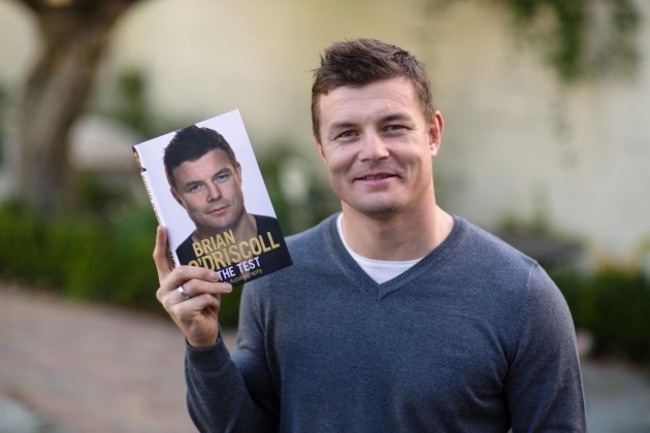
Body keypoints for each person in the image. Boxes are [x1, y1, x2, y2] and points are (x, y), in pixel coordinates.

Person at [154, 38, 586, 432]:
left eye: (394, 126)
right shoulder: (275, 280)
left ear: (433, 134)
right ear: (323, 150)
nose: (373, 151)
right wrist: (204, 345)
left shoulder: (522, 295)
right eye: (346, 134)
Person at [163, 125, 291, 283]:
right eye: (195, 187)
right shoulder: (181, 267)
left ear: (238, 173)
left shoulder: (283, 233)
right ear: (177, 197)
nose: (214, 195)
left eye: (221, 177)